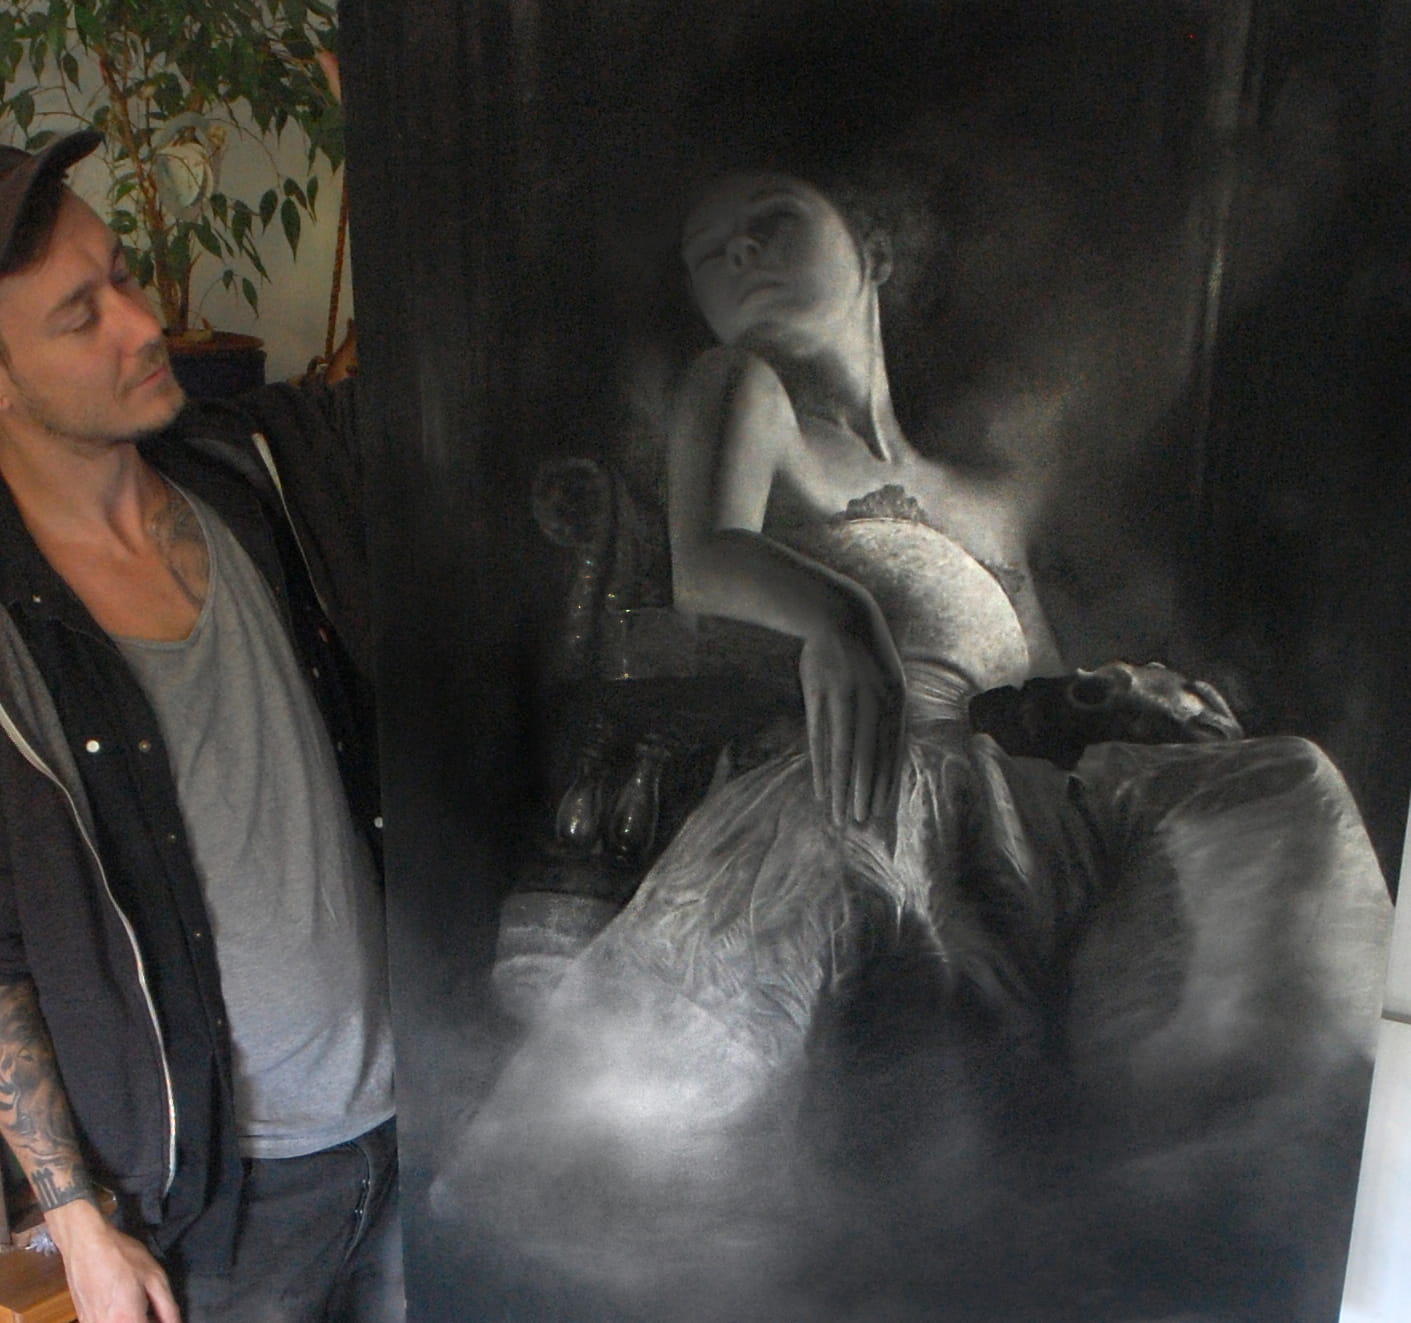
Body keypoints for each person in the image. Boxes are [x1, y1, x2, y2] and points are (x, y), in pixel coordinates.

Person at [442, 169, 1393, 1322]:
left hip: (1018, 799)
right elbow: (706, 559)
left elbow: (1028, 690)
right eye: (708, 251)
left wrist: (1116, 696)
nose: (738, 255)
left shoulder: (980, 496)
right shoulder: (741, 388)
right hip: (868, 771)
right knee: (868, 889)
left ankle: (1199, 1152)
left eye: (770, 224)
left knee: (1279, 781)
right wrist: (839, 617)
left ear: (873, 249)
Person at [0, 131, 401, 1322]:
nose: (144, 324)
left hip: (425, 1124)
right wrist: (77, 1221)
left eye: (123, 277)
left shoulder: (255, 475)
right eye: (81, 316)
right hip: (227, 1214)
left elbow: (450, 370)